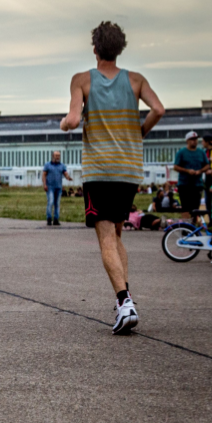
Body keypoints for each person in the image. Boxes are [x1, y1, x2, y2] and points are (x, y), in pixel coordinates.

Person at [60, 21, 165, 334]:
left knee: (105, 235)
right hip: (129, 169)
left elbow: (74, 119)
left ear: (95, 49)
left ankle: (124, 302)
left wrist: (65, 123)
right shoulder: (136, 80)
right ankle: (125, 299)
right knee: (117, 235)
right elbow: (158, 109)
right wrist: (139, 132)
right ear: (120, 49)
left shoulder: (82, 80)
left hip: (100, 169)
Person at [173, 132, 209, 225]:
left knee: (195, 208)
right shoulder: (181, 152)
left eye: (196, 139)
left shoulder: (201, 152)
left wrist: (200, 171)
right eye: (192, 139)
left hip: (197, 184)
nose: (194, 141)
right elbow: (175, 166)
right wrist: (187, 171)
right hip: (184, 184)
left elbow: (207, 165)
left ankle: (193, 226)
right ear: (187, 141)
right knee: (185, 207)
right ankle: (186, 227)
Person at [42, 151, 73, 226]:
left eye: (58, 155)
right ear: (53, 156)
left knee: (57, 203)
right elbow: (44, 175)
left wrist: (68, 177)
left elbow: (65, 173)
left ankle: (56, 219)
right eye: (56, 155)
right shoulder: (47, 165)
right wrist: (44, 184)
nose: (57, 157)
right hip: (50, 187)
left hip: (58, 187)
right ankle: (49, 218)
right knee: (50, 202)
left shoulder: (62, 165)